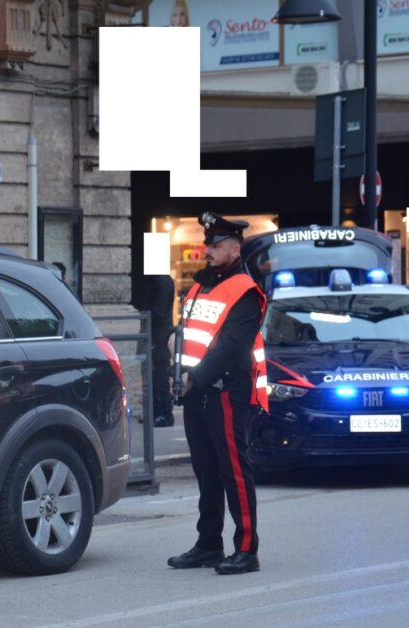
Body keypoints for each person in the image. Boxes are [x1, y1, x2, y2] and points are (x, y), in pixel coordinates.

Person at [168, 211, 268, 576]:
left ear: (235, 248)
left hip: (225, 391)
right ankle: (209, 543)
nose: (207, 250)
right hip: (196, 390)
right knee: (206, 472)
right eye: (207, 243)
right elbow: (185, 336)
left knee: (234, 472)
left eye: (216, 245)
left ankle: (246, 549)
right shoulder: (199, 286)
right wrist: (175, 371)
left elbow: (231, 346)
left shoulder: (245, 290)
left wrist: (194, 377)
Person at [142, 274, 176, 427]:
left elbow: (158, 311)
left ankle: (164, 413)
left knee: (160, 374)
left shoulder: (161, 281)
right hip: (158, 333)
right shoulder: (158, 280)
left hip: (159, 334)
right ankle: (158, 412)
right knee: (156, 374)